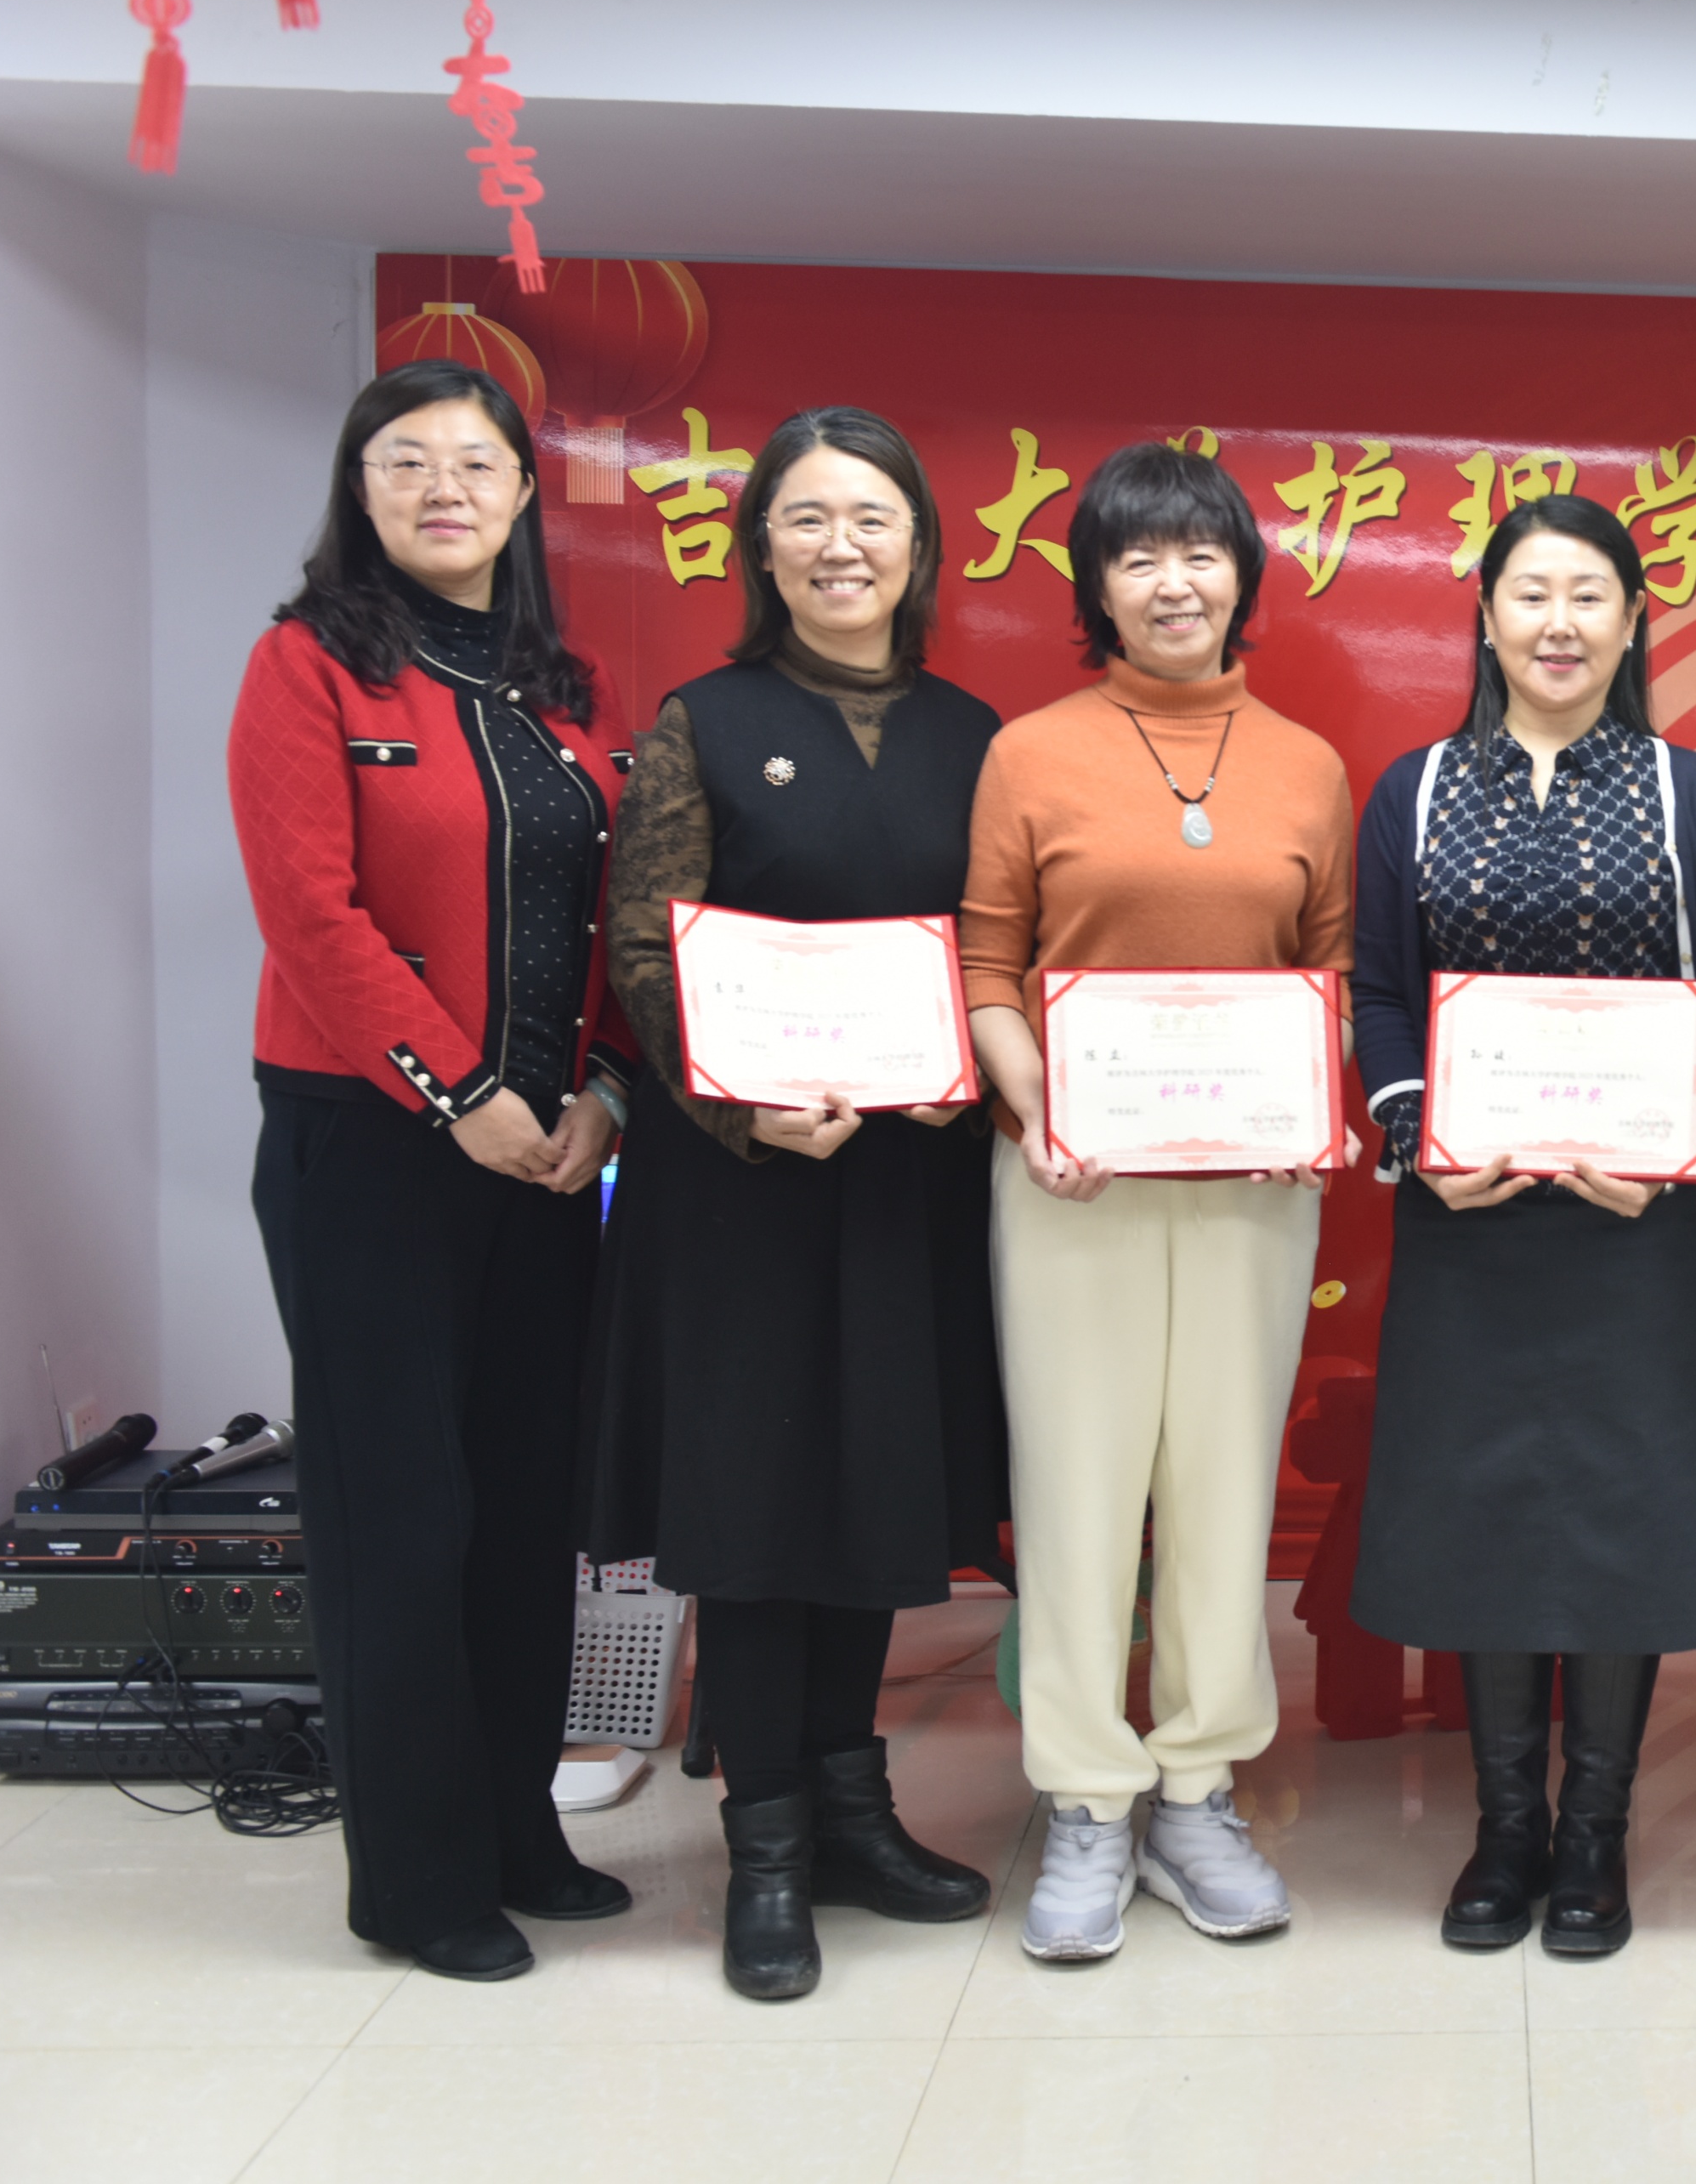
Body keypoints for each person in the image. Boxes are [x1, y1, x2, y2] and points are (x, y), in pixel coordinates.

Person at [581, 407, 1007, 2001]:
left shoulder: (977, 734)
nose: (843, 546)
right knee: (757, 1503)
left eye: (872, 517)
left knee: (876, 1490)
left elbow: (999, 946)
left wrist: (978, 1070)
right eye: (809, 517)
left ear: (919, 547)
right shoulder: (704, 721)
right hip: (742, 1184)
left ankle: (851, 1813)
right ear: (762, 544)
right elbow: (644, 944)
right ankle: (763, 1842)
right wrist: (741, 1107)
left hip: (906, 1178)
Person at [230, 360, 635, 1983]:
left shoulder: (562, 690)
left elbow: (610, 916)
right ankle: (413, 1877)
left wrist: (604, 1091)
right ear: (362, 489)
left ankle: (518, 1830)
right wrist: (456, 1092)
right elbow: (309, 916)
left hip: (544, 1159)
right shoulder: (308, 663)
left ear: (525, 493)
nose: (442, 489)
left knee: (528, 1509)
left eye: (474, 463)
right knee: (403, 1514)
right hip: (374, 1147)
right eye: (405, 462)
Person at [1347, 494, 1696, 1959]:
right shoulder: (1416, 789)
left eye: (1589, 595)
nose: (1558, 623)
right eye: (1530, 594)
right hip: (1470, 1219)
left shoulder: (1688, 793)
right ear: (1484, 618)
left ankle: (1594, 1833)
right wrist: (1418, 1135)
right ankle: (1502, 1832)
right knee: (1481, 1516)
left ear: (1633, 619)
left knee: (1622, 1517)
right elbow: (1382, 991)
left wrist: (1671, 1139)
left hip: (1637, 1225)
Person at [961, 443, 1357, 1965]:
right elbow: (989, 968)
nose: (1173, 583)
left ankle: (1197, 1790)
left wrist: (1308, 1103)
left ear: (1243, 578)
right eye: (1138, 558)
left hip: (1250, 1186)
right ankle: (1083, 1797)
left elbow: (1329, 970)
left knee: (1222, 1490)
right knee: (1077, 1490)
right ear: (1097, 589)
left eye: (1201, 554)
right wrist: (1040, 1107)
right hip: (1076, 1180)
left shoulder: (1306, 763)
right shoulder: (1030, 754)